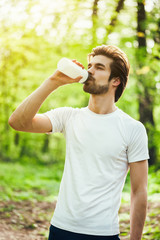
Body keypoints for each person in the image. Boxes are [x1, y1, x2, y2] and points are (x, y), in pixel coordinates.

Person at [9, 45, 149, 240]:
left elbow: (139, 191)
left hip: (103, 234)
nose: (89, 70)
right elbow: (18, 122)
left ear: (115, 80)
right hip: (60, 229)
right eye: (89, 65)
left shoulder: (132, 129)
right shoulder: (68, 116)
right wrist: (53, 81)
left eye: (99, 67)